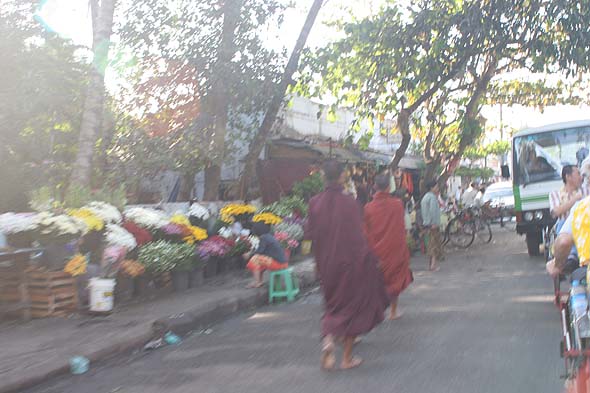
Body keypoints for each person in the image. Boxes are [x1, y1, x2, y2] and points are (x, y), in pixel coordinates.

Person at [305, 160, 388, 370]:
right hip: (350, 262)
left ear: (324, 177)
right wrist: (369, 258)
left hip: (326, 262)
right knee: (352, 306)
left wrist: (316, 262)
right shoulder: (350, 202)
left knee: (332, 305)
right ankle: (346, 359)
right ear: (342, 177)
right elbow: (358, 236)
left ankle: (328, 341)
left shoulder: (314, 202)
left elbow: (310, 237)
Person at [364, 174, 414, 320]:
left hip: (375, 251)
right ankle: (393, 311)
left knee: (377, 282)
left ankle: (376, 311)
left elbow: (366, 231)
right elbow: (400, 227)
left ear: (375, 187)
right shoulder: (397, 204)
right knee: (394, 282)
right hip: (394, 250)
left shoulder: (368, 208)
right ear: (388, 187)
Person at [244, 222, 287, 288]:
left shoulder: (263, 238)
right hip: (283, 263)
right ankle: (259, 281)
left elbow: (259, 251)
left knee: (255, 259)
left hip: (278, 264)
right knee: (260, 260)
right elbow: (263, 251)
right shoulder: (269, 236)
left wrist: (249, 254)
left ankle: (257, 282)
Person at [421, 180, 443, 272]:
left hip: (426, 224)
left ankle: (432, 264)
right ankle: (433, 266)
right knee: (433, 245)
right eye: (436, 187)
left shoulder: (425, 197)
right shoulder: (432, 197)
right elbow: (433, 211)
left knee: (430, 245)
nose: (437, 188)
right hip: (432, 224)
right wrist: (434, 223)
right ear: (431, 188)